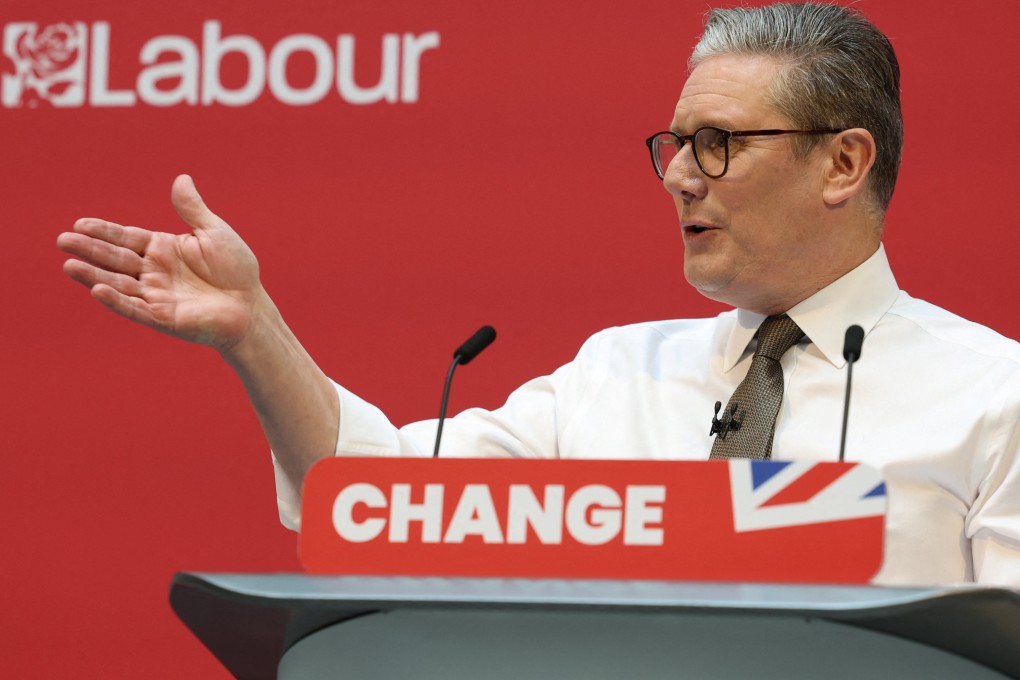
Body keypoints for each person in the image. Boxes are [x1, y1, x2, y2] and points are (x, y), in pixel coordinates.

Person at [57, 3, 1020, 587]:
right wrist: (253, 330)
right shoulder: (616, 374)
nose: (681, 175)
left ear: (844, 163)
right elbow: (368, 501)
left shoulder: (993, 396)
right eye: (675, 144)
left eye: (719, 141)